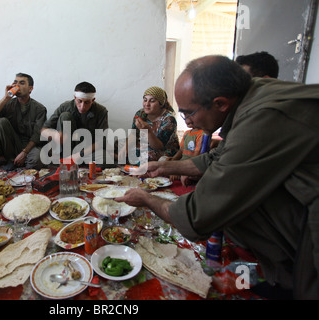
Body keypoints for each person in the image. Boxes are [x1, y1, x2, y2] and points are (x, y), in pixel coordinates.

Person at [116, 55, 319, 299]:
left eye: (188, 113)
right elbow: (216, 157)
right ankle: (277, 275)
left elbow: (198, 216)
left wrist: (147, 199)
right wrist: (167, 168)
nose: (188, 121)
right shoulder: (254, 95)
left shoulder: (263, 118)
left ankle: (285, 285)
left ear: (221, 103)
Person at [0, 73, 47, 170]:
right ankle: (11, 160)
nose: (17, 86)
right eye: (15, 83)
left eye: (22, 83)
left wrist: (24, 152)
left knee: (36, 160)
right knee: (1, 122)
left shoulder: (39, 108)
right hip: (10, 145)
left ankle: (19, 163)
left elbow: (37, 135)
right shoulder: (8, 103)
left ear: (30, 89)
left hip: (29, 145)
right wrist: (6, 98)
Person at [41, 81, 108, 164]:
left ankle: (75, 161)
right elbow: (44, 130)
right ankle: (65, 159)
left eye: (87, 102)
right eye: (79, 101)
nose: (82, 106)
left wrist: (80, 154)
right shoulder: (65, 107)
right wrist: (55, 135)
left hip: (86, 151)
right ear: (74, 97)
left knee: (105, 159)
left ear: (93, 100)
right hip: (66, 149)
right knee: (65, 116)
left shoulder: (101, 111)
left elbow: (102, 141)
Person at [118, 86, 179, 164]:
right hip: (143, 144)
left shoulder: (169, 119)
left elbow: (158, 147)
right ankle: (125, 158)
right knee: (118, 144)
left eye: (152, 101)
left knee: (148, 156)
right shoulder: (140, 113)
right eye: (145, 100)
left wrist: (148, 132)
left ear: (161, 104)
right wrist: (125, 148)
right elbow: (134, 134)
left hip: (161, 149)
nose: (147, 104)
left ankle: (126, 159)